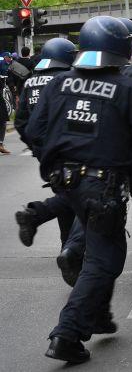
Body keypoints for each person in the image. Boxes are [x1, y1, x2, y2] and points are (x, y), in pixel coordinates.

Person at [25, 16, 132, 363]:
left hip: (66, 181)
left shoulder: (58, 84)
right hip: (104, 186)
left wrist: (60, 158)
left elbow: (33, 130)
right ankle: (66, 333)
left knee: (93, 239)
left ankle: (99, 315)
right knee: (105, 259)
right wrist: (116, 152)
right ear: (122, 48)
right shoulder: (129, 88)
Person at [14, 38, 77, 258]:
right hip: (71, 149)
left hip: (45, 153)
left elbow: (21, 123)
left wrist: (37, 148)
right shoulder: (69, 79)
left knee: (65, 194)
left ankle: (68, 249)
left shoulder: (31, 81)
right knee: (82, 196)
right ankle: (68, 248)